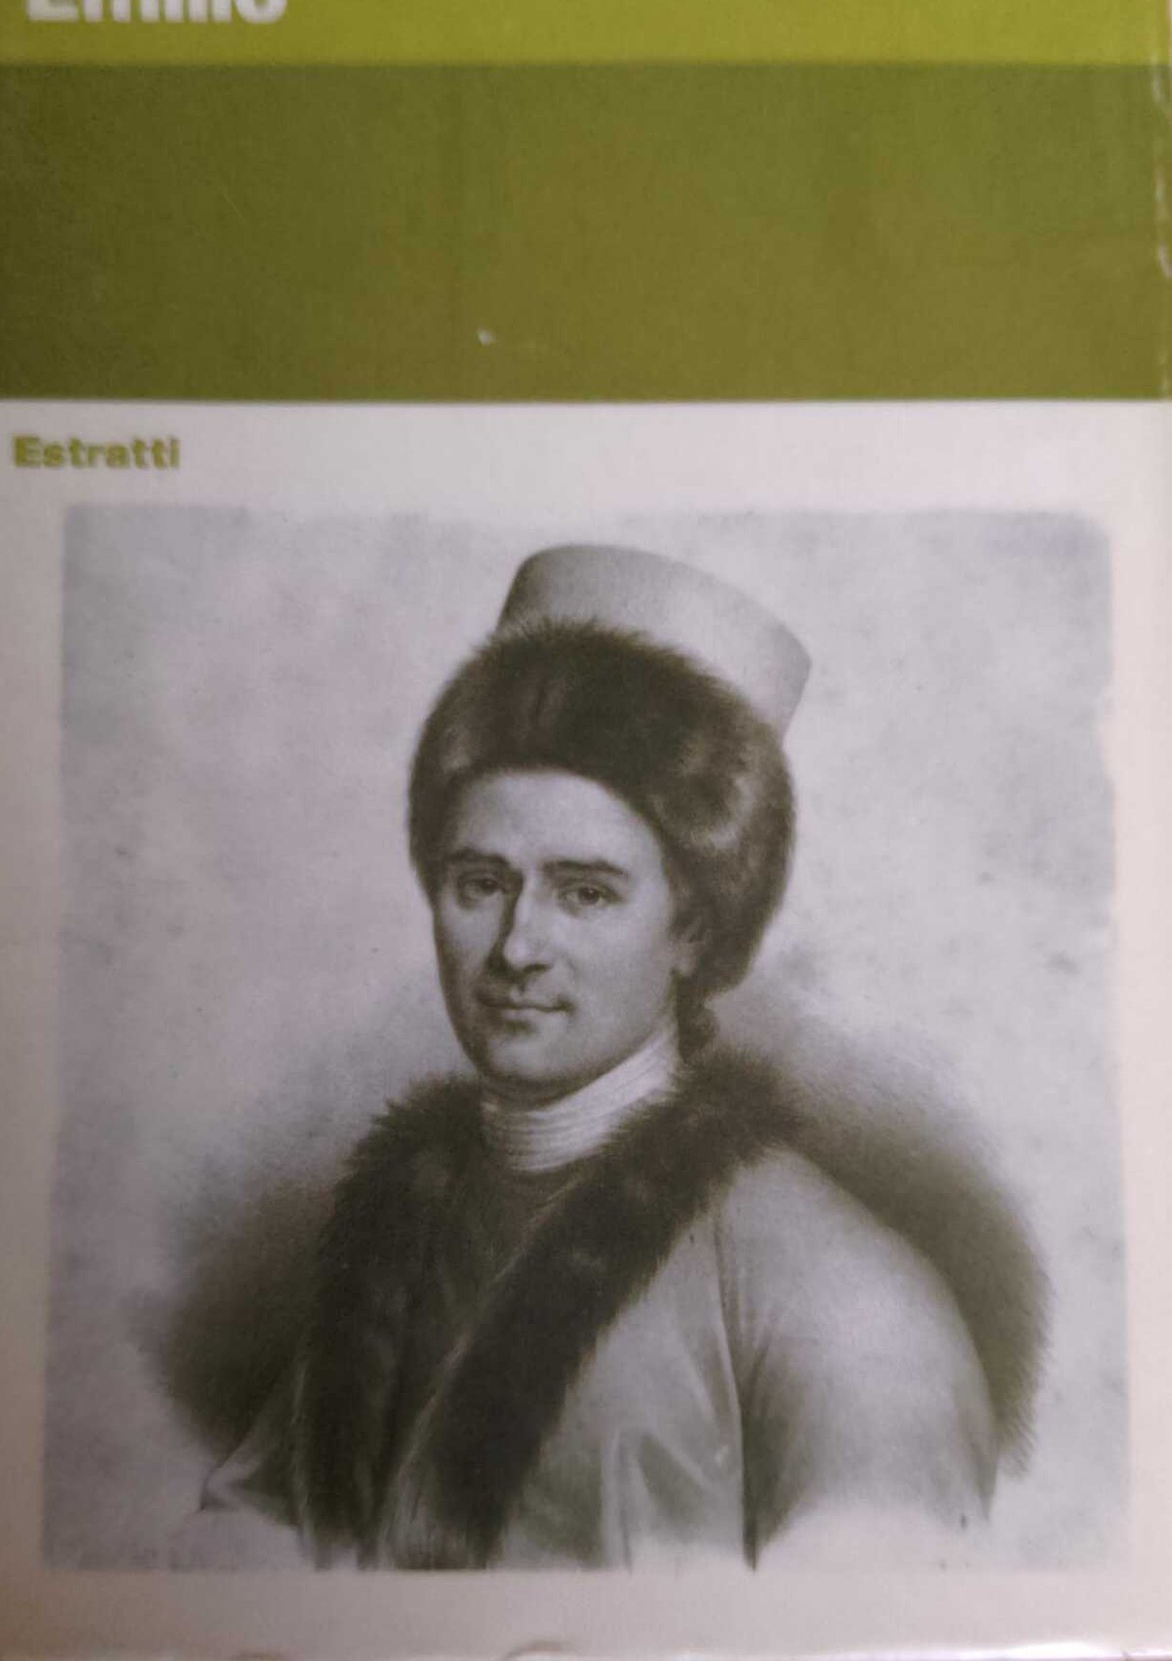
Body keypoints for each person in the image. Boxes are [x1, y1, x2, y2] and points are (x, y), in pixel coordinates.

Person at [182, 544, 1042, 1570]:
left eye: (584, 893)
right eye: (480, 882)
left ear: (692, 930)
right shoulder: (402, 1232)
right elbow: (246, 1561)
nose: (516, 947)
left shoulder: (843, 1305)